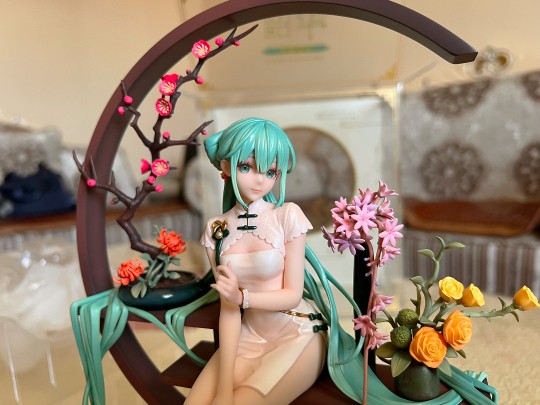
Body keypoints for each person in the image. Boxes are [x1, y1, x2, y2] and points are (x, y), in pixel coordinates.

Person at [185, 117, 328, 404]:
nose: (260, 180)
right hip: (247, 336)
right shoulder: (216, 229)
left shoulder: (286, 215)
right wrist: (223, 389)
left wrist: (243, 298)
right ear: (226, 167)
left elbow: (292, 295)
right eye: (246, 167)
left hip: (297, 332)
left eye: (270, 171)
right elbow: (229, 311)